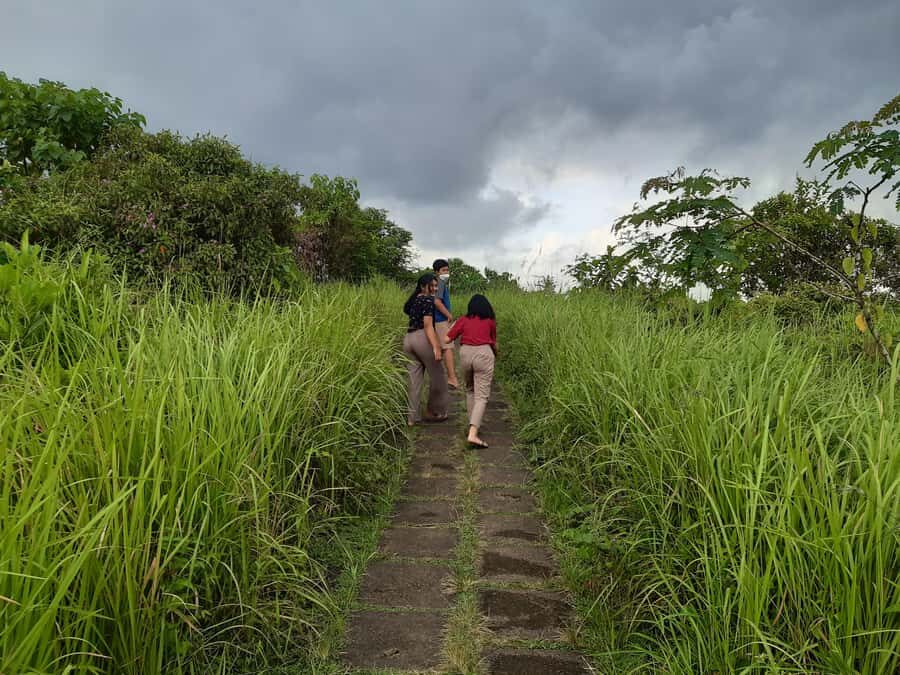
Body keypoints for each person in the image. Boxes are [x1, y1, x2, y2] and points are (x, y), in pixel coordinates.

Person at [446, 294, 498, 448]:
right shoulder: (490, 322)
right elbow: (494, 343)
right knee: (482, 396)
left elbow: (447, 339)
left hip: (465, 353)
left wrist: (452, 326)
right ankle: (473, 433)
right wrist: (496, 354)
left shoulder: (463, 320)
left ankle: (472, 424)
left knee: (470, 390)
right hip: (484, 354)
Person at [402, 272, 450, 426]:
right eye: (432, 286)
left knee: (414, 381)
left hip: (408, 339)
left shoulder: (414, 300)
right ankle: (434, 412)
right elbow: (428, 326)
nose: (435, 289)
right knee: (439, 376)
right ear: (423, 286)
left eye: (437, 286)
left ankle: (412, 418)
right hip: (422, 338)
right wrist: (436, 347)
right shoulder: (428, 300)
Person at [432, 259, 460, 389]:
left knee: (441, 348)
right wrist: (448, 315)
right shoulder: (441, 283)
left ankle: (444, 378)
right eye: (443, 270)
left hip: (436, 320)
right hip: (441, 320)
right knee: (448, 348)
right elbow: (437, 302)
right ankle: (452, 378)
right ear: (437, 272)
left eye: (447, 270)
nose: (446, 272)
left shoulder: (437, 284)